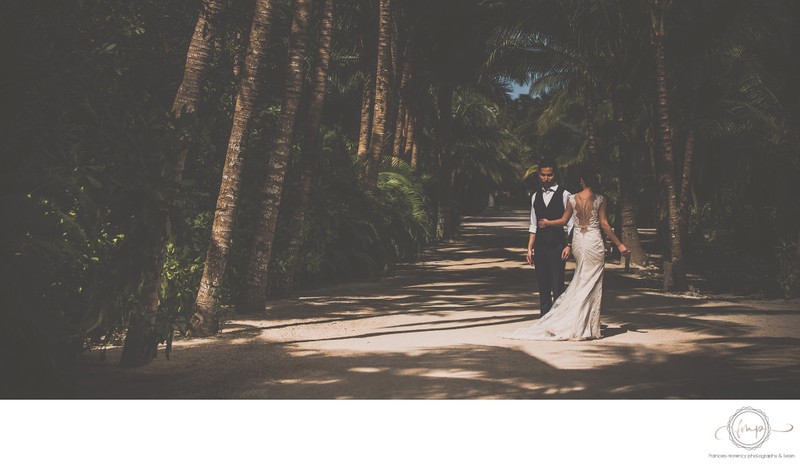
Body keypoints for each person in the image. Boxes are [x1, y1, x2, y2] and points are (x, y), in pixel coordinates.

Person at [502, 165, 629, 341]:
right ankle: (583, 325)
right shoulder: (600, 199)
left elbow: (564, 220)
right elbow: (605, 225)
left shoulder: (571, 197)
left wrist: (549, 224)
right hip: (592, 241)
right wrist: (619, 244)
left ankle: (578, 323)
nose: (546, 177)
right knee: (589, 282)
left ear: (581, 181)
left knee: (580, 279)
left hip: (578, 240)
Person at [526, 160, 574, 316]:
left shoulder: (565, 195)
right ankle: (544, 317)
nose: (546, 178)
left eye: (549, 175)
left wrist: (569, 245)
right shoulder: (535, 196)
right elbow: (533, 224)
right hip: (540, 246)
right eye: (543, 175)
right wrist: (529, 248)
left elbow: (571, 224)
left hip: (557, 245)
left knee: (557, 284)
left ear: (555, 174)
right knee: (542, 284)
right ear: (539, 175)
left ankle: (558, 318)